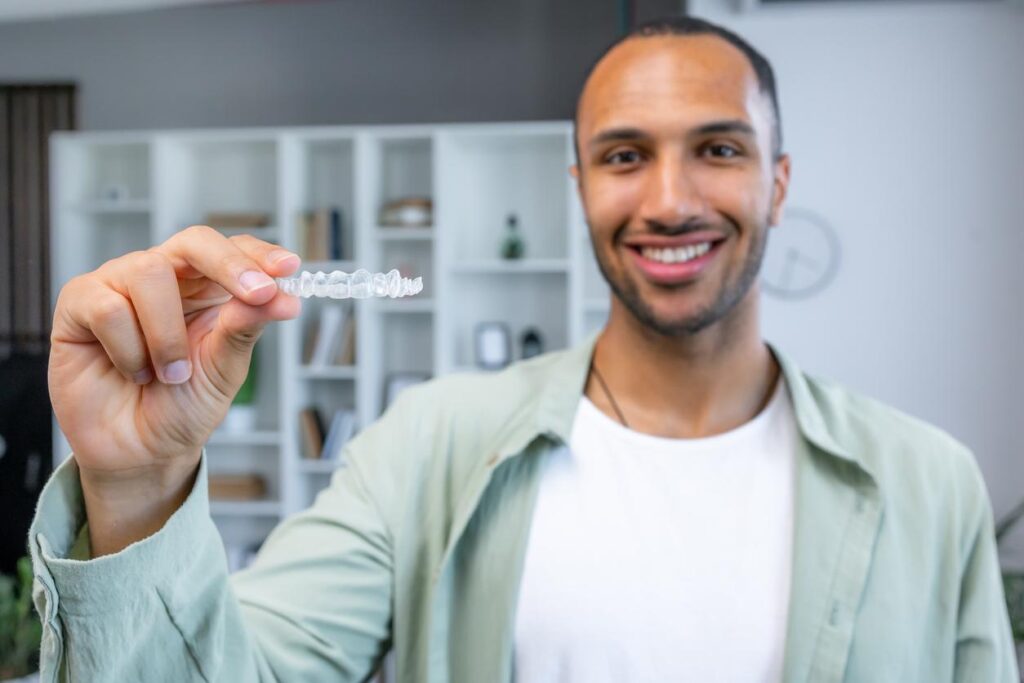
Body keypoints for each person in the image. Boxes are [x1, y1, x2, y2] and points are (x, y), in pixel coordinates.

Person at [29, 16, 1017, 683]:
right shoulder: (429, 446)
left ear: (779, 181)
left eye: (718, 148)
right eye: (625, 154)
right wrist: (139, 487)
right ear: (577, 180)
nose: (668, 199)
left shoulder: (928, 482)